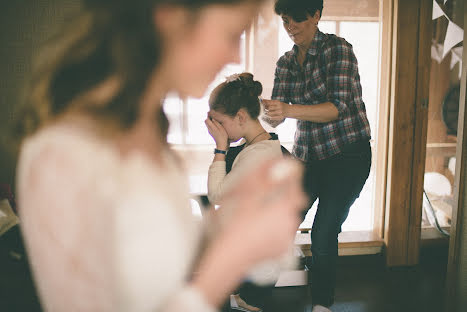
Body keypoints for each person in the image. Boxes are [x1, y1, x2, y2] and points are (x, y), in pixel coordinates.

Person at [14, 1, 307, 311]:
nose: (234, 55)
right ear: (172, 18)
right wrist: (221, 270)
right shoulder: (64, 152)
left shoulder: (151, 133)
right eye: (230, 33)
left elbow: (155, 254)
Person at [262, 0, 372, 311]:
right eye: (285, 20)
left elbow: (336, 109)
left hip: (347, 155)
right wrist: (264, 110)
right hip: (309, 158)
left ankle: (322, 305)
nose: (290, 26)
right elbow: (278, 117)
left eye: (297, 18)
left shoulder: (338, 50)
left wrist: (288, 109)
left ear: (316, 15)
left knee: (324, 232)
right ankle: (254, 297)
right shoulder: (285, 63)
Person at [205, 72, 291, 312]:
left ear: (241, 116)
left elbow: (216, 195)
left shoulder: (257, 156)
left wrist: (220, 148)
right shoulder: (260, 145)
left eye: (219, 122)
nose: (215, 128)